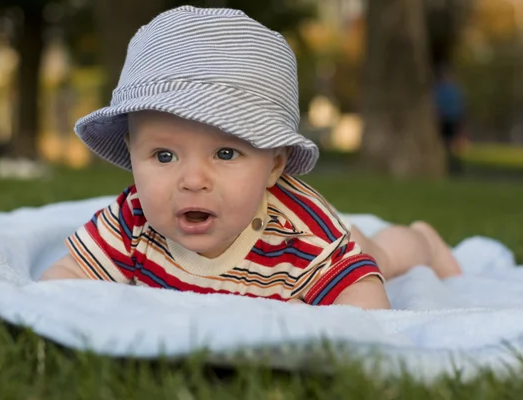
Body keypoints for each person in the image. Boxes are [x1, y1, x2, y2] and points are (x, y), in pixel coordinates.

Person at [41, 6, 462, 309]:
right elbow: (66, 276)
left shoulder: (304, 237)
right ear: (132, 153)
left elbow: (366, 301)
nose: (192, 180)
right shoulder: (132, 220)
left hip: (323, 251)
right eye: (164, 155)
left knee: (380, 256)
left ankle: (424, 239)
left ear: (274, 165)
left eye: (225, 153)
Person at [434, 67, 466, 175]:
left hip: (450, 119)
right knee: (449, 144)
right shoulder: (443, 89)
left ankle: (454, 166)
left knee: (452, 144)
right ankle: (452, 166)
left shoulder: (444, 90)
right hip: (447, 119)